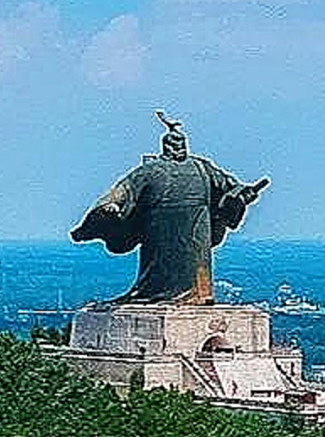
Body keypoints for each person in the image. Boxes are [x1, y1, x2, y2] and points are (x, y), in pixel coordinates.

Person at [70, 111, 268, 304]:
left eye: (180, 143)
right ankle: (161, 293)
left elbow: (230, 186)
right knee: (159, 272)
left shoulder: (202, 167)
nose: (177, 146)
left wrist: (243, 194)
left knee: (195, 268)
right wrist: (110, 206)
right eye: (173, 143)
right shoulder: (149, 170)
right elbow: (123, 191)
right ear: (165, 146)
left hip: (196, 227)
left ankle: (199, 295)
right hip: (160, 229)